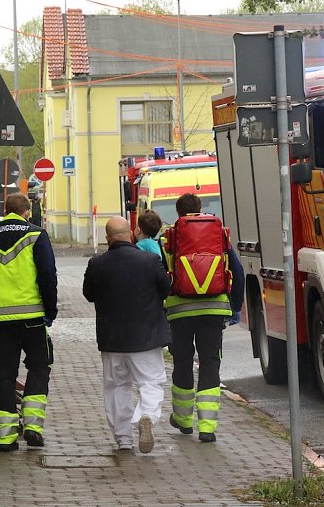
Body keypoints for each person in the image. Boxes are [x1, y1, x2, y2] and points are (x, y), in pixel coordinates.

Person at [0, 193, 57, 452]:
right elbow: (47, 275)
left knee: (4, 374)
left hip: (0, 320)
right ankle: (32, 427)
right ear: (26, 212)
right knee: (39, 367)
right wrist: (50, 311)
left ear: (5, 209)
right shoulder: (35, 235)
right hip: (32, 317)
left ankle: (6, 438)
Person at [82, 216, 171, 453]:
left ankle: (123, 439)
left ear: (107, 238)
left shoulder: (97, 264)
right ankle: (148, 417)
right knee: (150, 382)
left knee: (116, 387)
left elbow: (88, 294)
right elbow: (166, 289)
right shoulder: (150, 260)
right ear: (131, 232)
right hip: (146, 336)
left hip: (112, 339)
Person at [162, 193, 244, 443]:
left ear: (178, 213)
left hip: (179, 312)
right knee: (210, 364)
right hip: (214, 309)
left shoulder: (170, 237)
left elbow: (160, 275)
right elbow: (237, 272)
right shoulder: (218, 234)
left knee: (183, 363)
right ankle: (207, 427)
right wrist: (235, 306)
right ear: (200, 209)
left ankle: (184, 420)